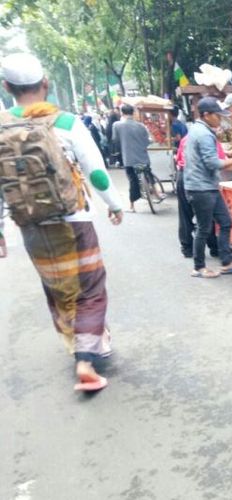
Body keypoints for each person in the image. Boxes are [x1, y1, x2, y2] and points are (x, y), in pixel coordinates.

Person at [1, 53, 124, 391]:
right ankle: (85, 360)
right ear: (45, 84)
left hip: (30, 224)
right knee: (89, 288)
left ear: (6, 86)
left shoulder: (1, 125)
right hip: (74, 220)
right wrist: (115, 205)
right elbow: (95, 172)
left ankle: (82, 341)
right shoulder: (66, 122)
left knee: (57, 287)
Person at [184, 96, 232, 278]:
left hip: (207, 186)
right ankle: (198, 267)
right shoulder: (203, 133)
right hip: (201, 188)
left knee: (226, 222)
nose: (220, 119)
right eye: (217, 116)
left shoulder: (198, 129)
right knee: (204, 228)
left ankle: (226, 262)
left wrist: (229, 155)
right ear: (206, 115)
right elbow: (212, 163)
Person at [174, 131, 220, 259]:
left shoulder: (187, 138)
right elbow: (217, 161)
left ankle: (187, 248)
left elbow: (178, 158)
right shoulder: (208, 138)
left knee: (185, 214)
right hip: (199, 179)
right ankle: (214, 247)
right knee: (207, 215)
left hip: (182, 175)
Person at [112, 103, 164, 211]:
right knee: (149, 174)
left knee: (133, 180)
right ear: (133, 113)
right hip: (143, 157)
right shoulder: (141, 126)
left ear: (122, 113)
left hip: (129, 158)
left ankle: (132, 206)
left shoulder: (117, 125)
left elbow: (115, 140)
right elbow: (148, 141)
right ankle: (157, 193)